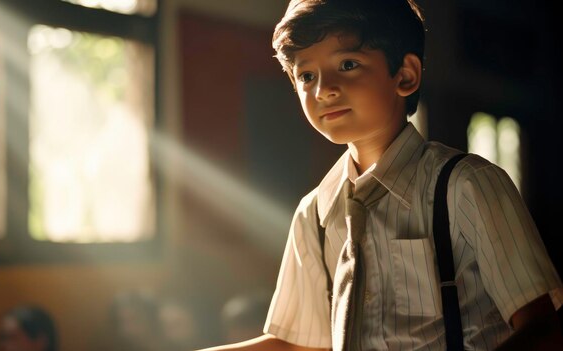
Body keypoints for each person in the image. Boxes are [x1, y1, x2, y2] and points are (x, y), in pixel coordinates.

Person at [198, 0, 563, 350]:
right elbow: (301, 345)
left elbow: (543, 332)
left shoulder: (466, 185)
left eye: (347, 64)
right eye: (307, 75)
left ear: (405, 75)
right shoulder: (315, 215)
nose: (323, 90)